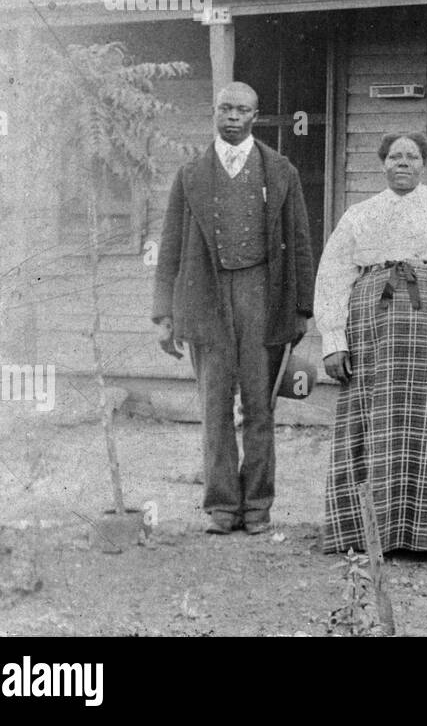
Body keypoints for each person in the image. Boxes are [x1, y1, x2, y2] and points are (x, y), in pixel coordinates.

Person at [315, 131, 427, 560]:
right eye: (394, 156)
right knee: (376, 419)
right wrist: (334, 340)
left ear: (423, 164)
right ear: (383, 163)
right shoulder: (361, 214)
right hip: (374, 330)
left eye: (412, 156)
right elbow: (334, 275)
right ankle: (367, 533)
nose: (403, 163)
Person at [152, 81, 315, 534]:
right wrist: (164, 313)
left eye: (242, 110)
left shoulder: (280, 171)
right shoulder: (190, 175)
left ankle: (258, 506)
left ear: (255, 116)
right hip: (205, 299)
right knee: (215, 406)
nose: (232, 117)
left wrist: (302, 307)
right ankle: (221, 506)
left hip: (262, 297)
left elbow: (300, 242)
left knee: (260, 407)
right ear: (214, 112)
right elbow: (169, 248)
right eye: (225, 109)